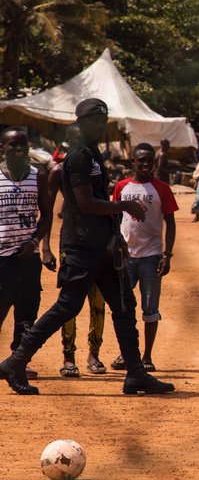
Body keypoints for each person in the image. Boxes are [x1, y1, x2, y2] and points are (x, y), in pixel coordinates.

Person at [0, 98, 174, 395]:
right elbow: (85, 203)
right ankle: (16, 361)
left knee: (123, 305)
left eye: (103, 120)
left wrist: (115, 236)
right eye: (95, 120)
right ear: (81, 123)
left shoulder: (92, 153)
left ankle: (135, 373)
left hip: (103, 246)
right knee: (68, 305)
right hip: (82, 247)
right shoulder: (78, 156)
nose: (100, 125)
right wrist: (124, 205)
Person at [111, 143, 178, 372]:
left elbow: (170, 222)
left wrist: (167, 255)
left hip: (151, 257)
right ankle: (127, 354)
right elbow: (115, 218)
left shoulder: (162, 189)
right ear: (133, 163)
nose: (147, 164)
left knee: (150, 309)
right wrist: (115, 247)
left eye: (150, 160)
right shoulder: (122, 187)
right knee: (124, 308)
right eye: (142, 160)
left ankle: (147, 357)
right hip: (126, 257)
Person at [46, 130, 107, 377]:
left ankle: (94, 353)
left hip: (98, 243)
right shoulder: (59, 173)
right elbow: (48, 211)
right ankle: (68, 355)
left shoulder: (96, 171)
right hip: (71, 244)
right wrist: (45, 247)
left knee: (98, 302)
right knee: (70, 303)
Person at [0, 128, 54, 384]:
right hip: (1, 258)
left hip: (26, 259)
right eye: (13, 145)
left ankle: (18, 361)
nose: (19, 149)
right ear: (3, 148)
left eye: (23, 144)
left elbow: (47, 215)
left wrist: (34, 243)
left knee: (26, 314)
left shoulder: (38, 176)